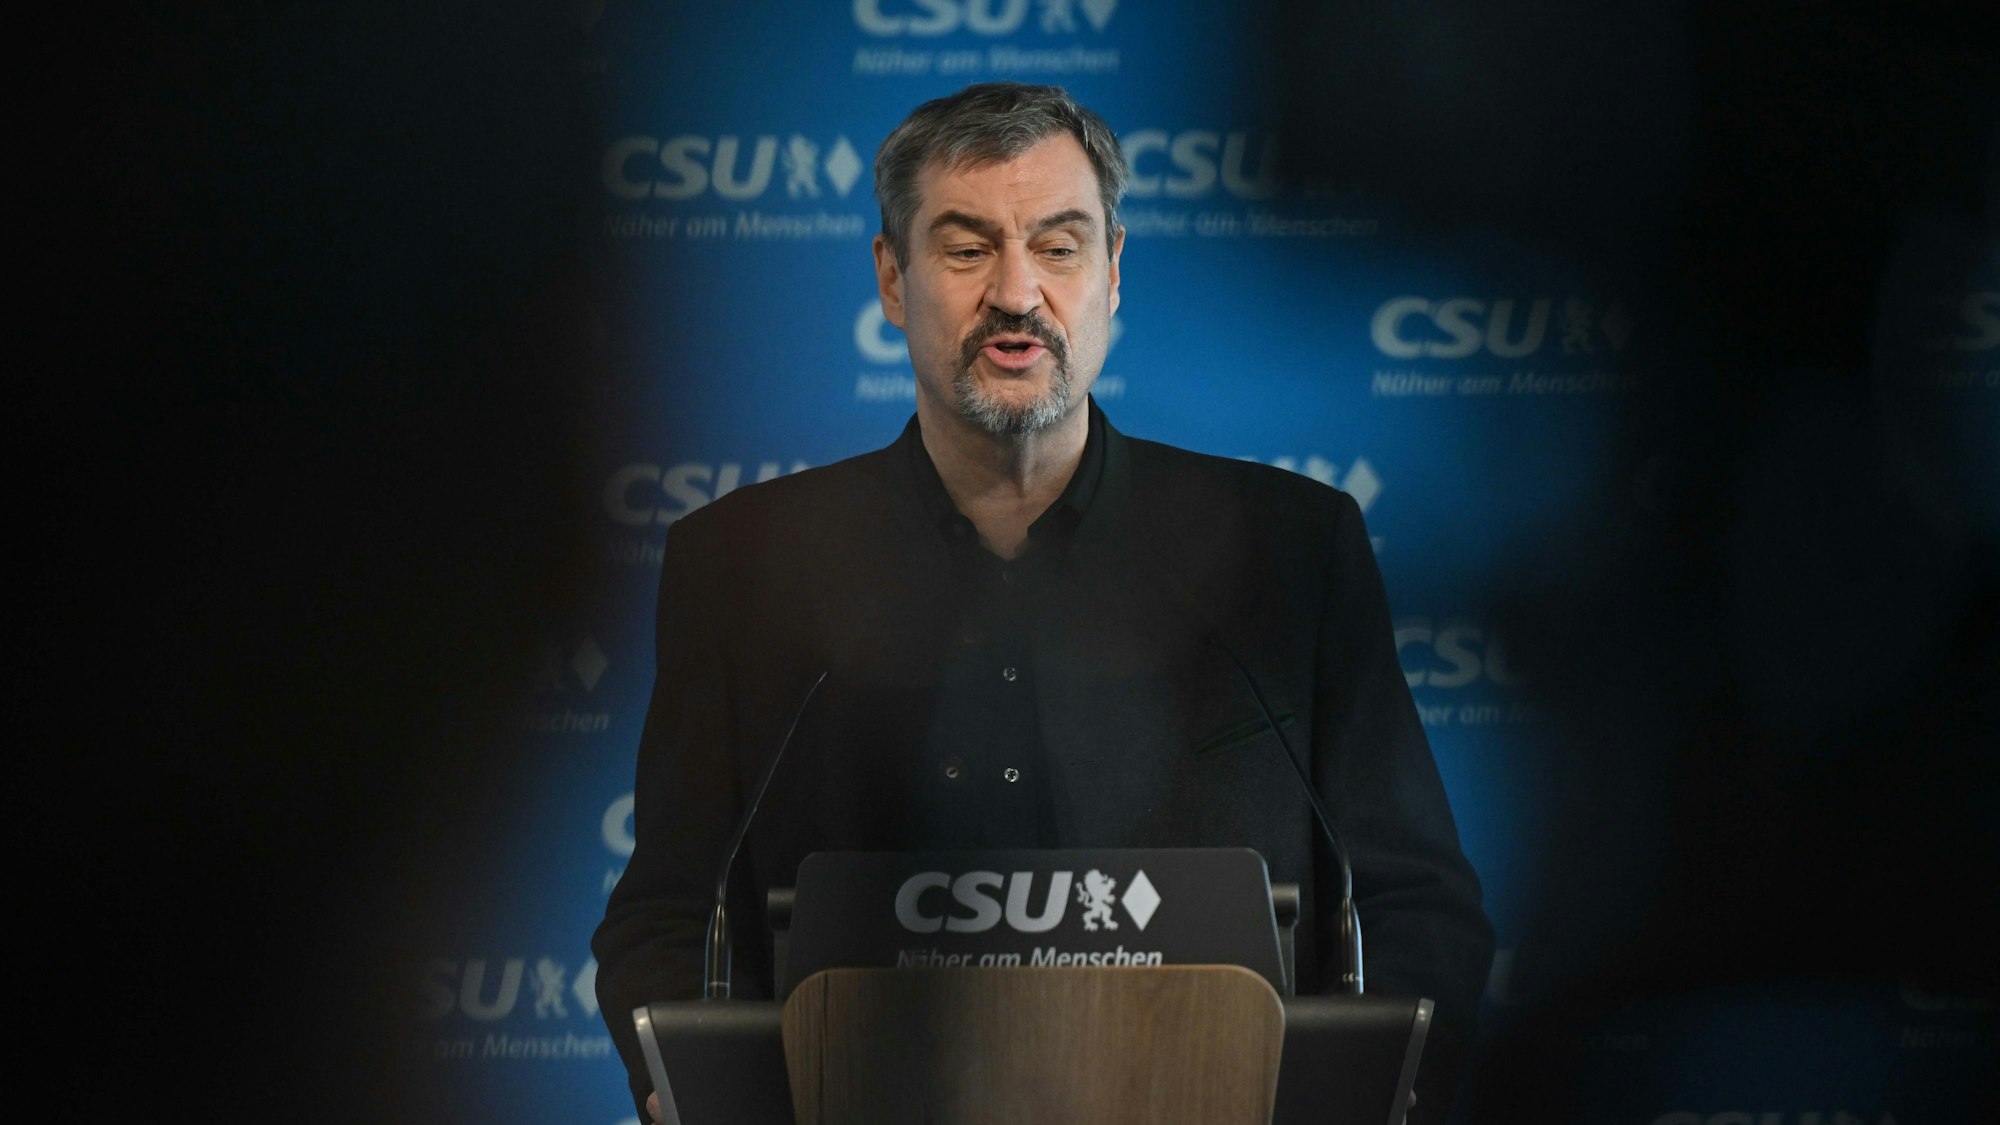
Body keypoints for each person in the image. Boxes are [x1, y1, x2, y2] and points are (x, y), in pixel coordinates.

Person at [592, 82, 1492, 1123]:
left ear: (1112, 273)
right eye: (966, 249)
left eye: (1058, 247)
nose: (1016, 293)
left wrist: (1380, 1097)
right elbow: (657, 918)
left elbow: (1423, 903)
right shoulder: (744, 565)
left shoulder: (1292, 549)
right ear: (892, 279)